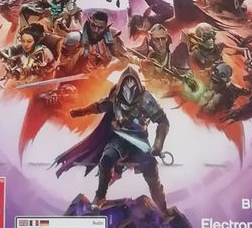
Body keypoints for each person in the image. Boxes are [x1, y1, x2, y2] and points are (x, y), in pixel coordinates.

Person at [54, 66, 170, 213]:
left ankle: (162, 207)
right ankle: (100, 197)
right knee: (107, 158)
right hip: (119, 138)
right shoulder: (115, 97)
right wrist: (80, 112)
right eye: (126, 84)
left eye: (133, 84)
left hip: (139, 140)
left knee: (151, 166)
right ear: (121, 86)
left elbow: (163, 121)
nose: (129, 88)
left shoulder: (146, 98)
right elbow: (98, 107)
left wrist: (158, 145)